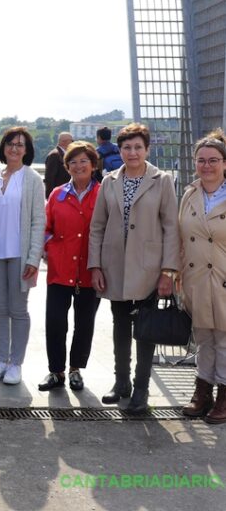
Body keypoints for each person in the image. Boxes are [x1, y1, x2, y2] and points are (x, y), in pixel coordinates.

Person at [89, 123, 180, 414]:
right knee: (119, 325)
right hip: (115, 264)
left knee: (146, 328)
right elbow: (97, 227)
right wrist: (95, 265)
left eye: (138, 147)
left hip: (148, 267)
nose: (132, 152)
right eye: (126, 147)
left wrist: (168, 270)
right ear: (120, 150)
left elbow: (171, 227)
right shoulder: (109, 181)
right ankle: (121, 383)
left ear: (147, 149)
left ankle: (141, 388)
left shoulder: (162, 180)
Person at [0, 127, 45, 385]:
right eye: (10, 143)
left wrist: (33, 258)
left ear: (27, 150)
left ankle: (16, 363)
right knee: (0, 309)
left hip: (20, 254)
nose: (14, 148)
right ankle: (1, 360)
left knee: (18, 310)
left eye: (20, 145)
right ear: (3, 147)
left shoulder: (32, 179)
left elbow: (39, 221)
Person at [39, 141, 101, 392]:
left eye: (83, 161)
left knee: (84, 323)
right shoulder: (57, 194)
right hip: (59, 268)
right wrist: (49, 249)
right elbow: (45, 227)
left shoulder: (104, 192)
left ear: (93, 165)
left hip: (91, 269)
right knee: (55, 322)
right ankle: (56, 371)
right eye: (73, 162)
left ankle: (76, 369)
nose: (78, 166)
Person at [178, 130, 226, 422]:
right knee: (204, 338)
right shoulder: (189, 193)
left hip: (223, 277)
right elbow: (179, 237)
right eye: (201, 160)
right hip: (196, 278)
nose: (207, 166)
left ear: (224, 163)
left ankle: (224, 394)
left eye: (213, 160)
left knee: (224, 339)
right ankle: (202, 391)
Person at [44, 132, 73, 198]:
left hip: (64, 192)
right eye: (72, 141)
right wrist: (50, 196)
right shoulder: (55, 155)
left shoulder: (64, 154)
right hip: (58, 194)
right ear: (65, 142)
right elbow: (49, 178)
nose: (73, 143)